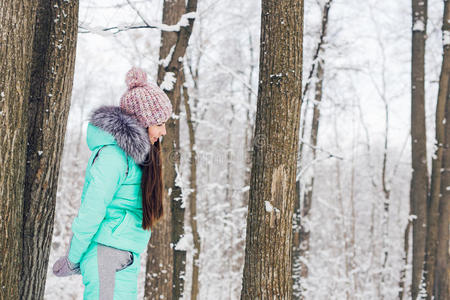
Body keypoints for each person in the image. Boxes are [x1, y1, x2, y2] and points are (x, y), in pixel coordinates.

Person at [52, 66, 172, 300]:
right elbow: (91, 210)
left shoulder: (139, 158)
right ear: (142, 121)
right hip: (105, 254)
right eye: (159, 123)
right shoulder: (113, 157)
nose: (164, 130)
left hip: (125, 256)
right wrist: (73, 259)